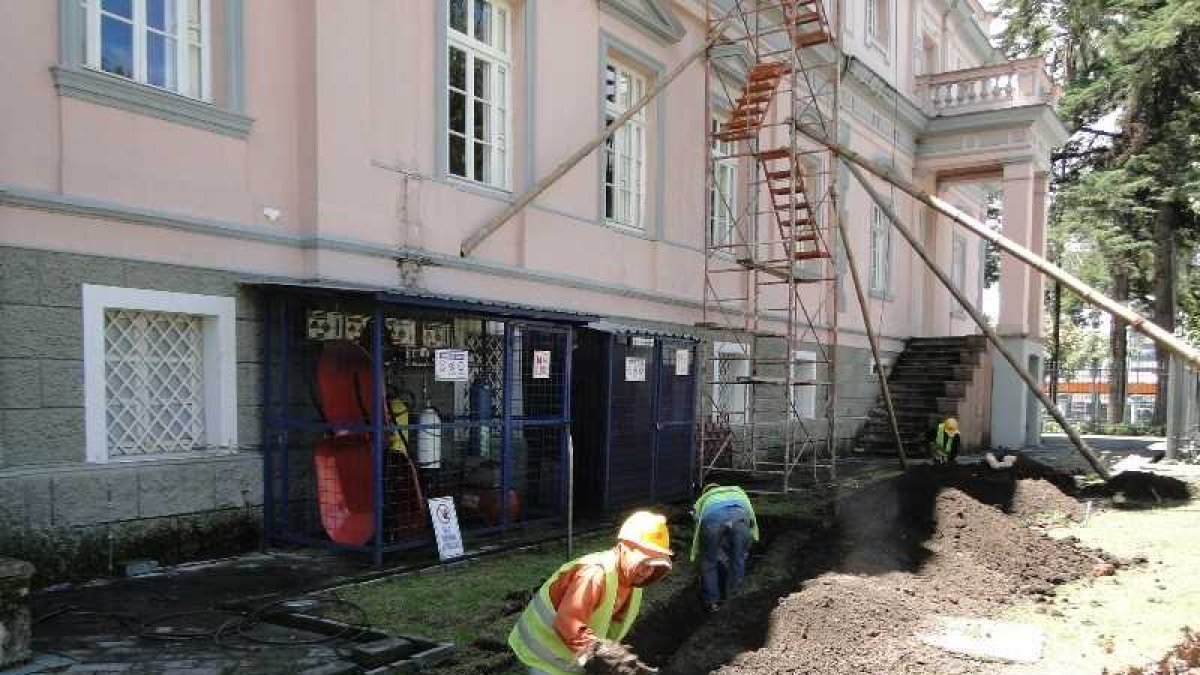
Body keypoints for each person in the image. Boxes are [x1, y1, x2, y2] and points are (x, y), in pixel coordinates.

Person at [509, 511, 672, 675]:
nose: (647, 571)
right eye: (644, 561)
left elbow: (610, 627)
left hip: (572, 661)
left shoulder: (633, 584)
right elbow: (568, 622)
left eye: (654, 566)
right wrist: (603, 655)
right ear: (623, 547)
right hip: (544, 658)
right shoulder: (595, 574)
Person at [689, 483, 759, 612]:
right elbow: (752, 522)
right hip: (740, 516)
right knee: (737, 559)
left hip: (712, 519)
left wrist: (706, 551)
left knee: (709, 561)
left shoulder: (703, 500)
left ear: (706, 492)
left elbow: (698, 528)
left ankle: (712, 602)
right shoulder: (739, 492)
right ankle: (733, 600)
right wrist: (744, 550)